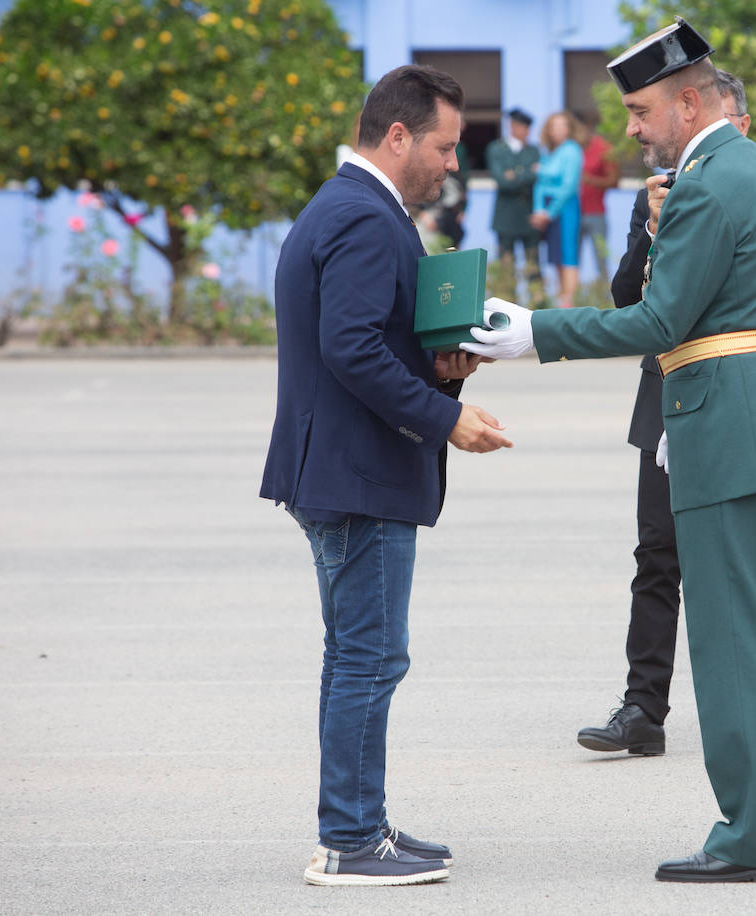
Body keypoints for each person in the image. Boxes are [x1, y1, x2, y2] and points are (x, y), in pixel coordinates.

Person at [465, 18, 756, 883]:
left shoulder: (707, 184)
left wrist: (531, 333)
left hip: (726, 424)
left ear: (687, 101)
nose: (630, 127)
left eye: (639, 110)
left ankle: (752, 836)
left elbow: (658, 320)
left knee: (733, 637)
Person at [259, 64, 513, 888]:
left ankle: (358, 824)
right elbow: (353, 348)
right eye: (443, 147)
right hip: (355, 474)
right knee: (369, 658)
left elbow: (367, 343)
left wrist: (443, 370)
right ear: (396, 136)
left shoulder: (353, 208)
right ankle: (349, 840)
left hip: (341, 469)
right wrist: (447, 417)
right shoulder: (366, 217)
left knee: (357, 656)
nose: (451, 164)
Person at [576, 67, 752, 760]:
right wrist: (652, 229)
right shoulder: (658, 198)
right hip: (665, 400)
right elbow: (626, 300)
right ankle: (642, 707)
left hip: (730, 400)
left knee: (735, 562)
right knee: (657, 555)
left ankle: (746, 707)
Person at [486, 109, 543, 302]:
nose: (524, 131)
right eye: (520, 126)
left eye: (527, 127)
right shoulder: (497, 148)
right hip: (506, 217)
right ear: (512, 126)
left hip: (528, 216)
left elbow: (537, 177)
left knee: (533, 263)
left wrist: (516, 174)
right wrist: (527, 173)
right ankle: (506, 304)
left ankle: (537, 303)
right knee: (505, 266)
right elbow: (503, 181)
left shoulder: (533, 151)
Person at [530, 111, 585, 308]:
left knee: (567, 253)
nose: (558, 130)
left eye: (562, 125)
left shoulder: (572, 150)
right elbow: (540, 184)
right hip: (548, 212)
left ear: (569, 128)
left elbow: (569, 187)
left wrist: (549, 212)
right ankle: (561, 296)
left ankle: (568, 300)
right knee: (555, 256)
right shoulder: (551, 152)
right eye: (554, 126)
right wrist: (539, 210)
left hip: (565, 209)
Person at [579, 114, 621, 284]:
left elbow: (614, 181)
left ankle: (603, 298)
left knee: (600, 258)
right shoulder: (572, 148)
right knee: (571, 261)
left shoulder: (604, 148)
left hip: (596, 213)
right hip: (573, 212)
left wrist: (590, 180)